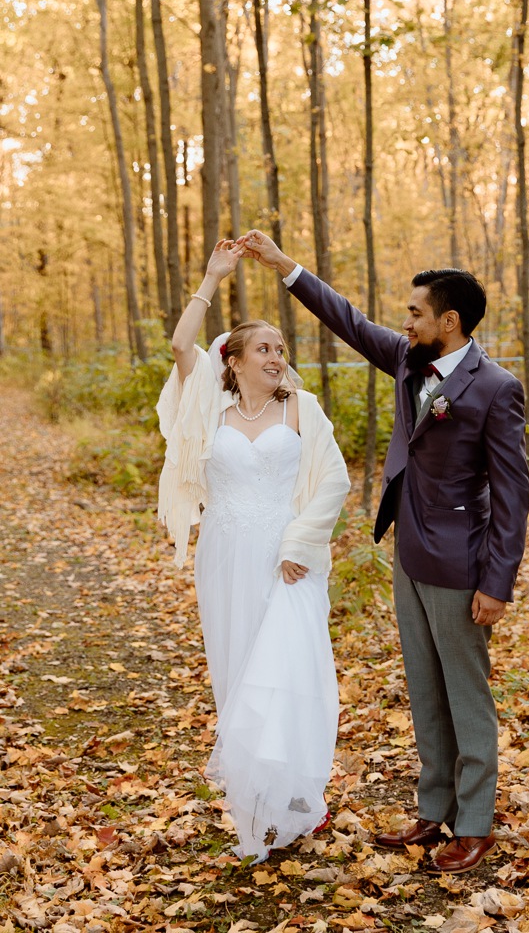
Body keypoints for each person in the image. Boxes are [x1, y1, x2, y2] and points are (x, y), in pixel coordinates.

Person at [240, 229, 529, 875]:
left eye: (416, 312)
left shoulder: (494, 388)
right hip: (408, 553)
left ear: (448, 322)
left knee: (465, 695)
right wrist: (287, 268)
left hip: (462, 565)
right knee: (425, 692)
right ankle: (433, 811)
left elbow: (513, 494)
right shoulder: (407, 360)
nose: (405, 322)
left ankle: (474, 823)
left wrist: (497, 582)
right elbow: (347, 319)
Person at [156, 239, 350, 864]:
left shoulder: (303, 409)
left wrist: (300, 542)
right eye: (263, 348)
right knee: (239, 671)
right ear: (233, 362)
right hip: (225, 556)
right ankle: (254, 799)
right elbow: (182, 346)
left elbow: (335, 482)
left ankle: (296, 797)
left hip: (287, 559)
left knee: (289, 671)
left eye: (280, 349)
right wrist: (212, 278)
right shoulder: (207, 407)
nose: (277, 357)